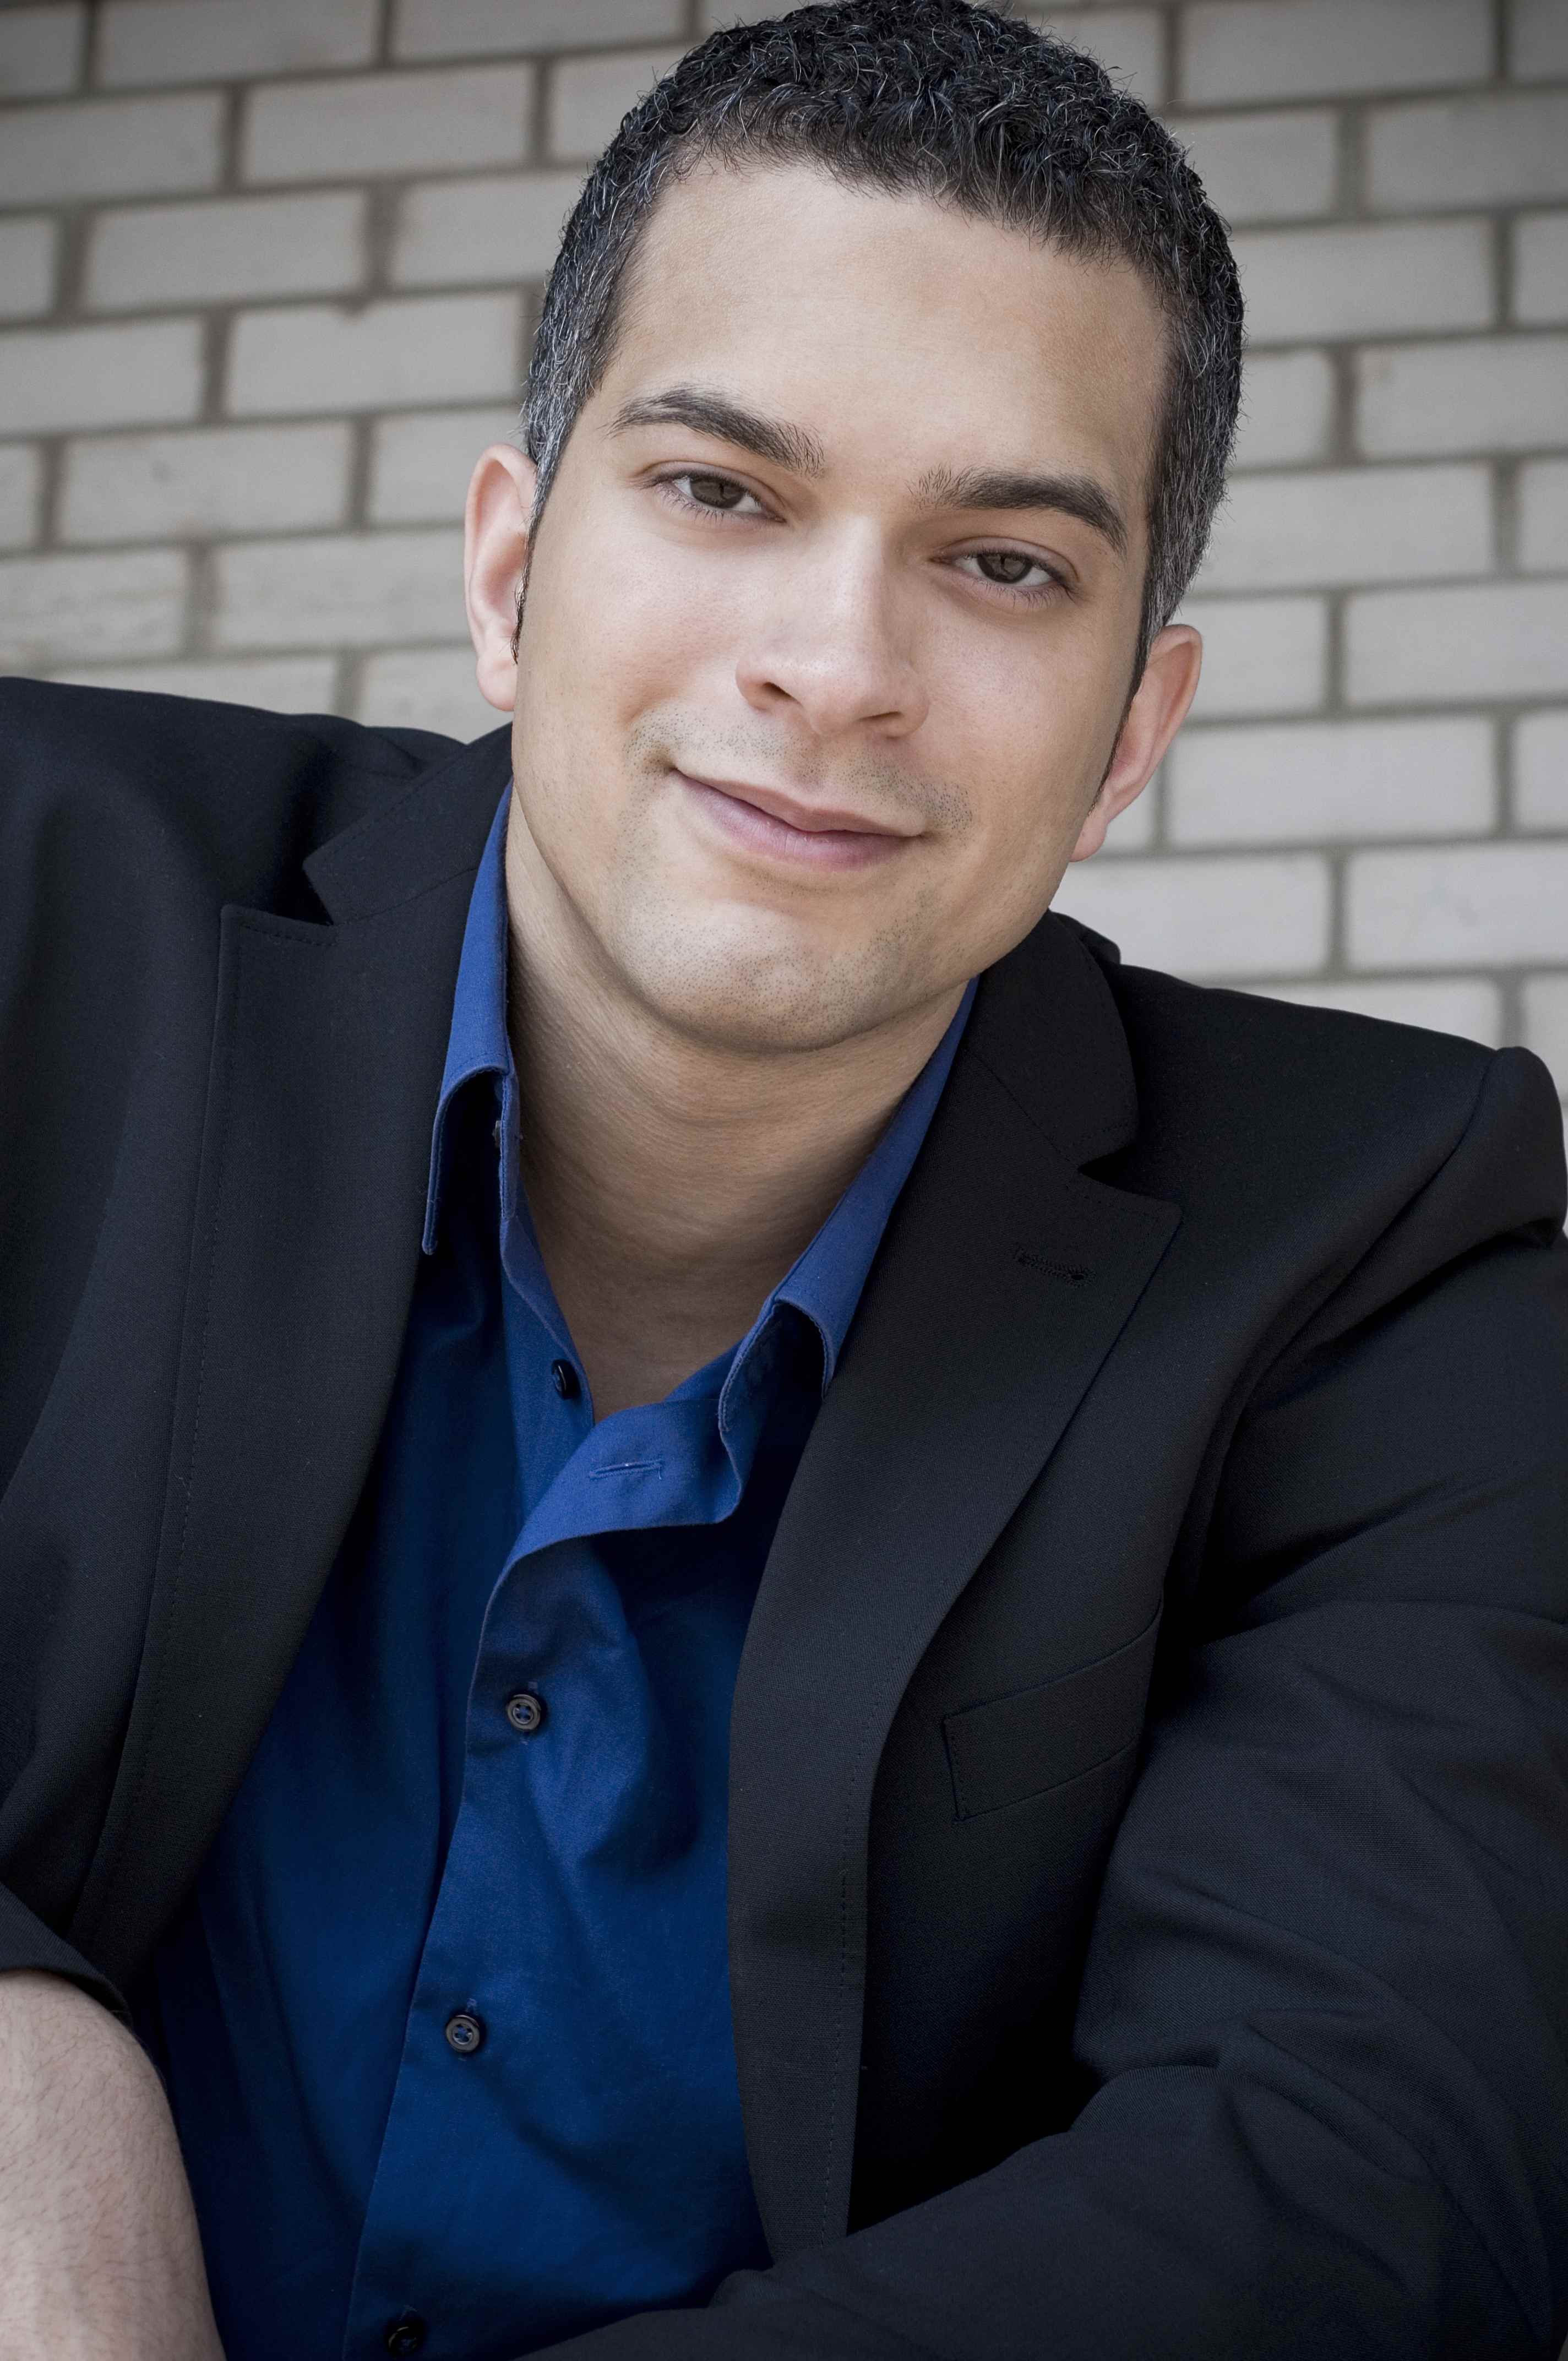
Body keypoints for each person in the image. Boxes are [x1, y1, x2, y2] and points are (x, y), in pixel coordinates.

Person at [2, 3, 1565, 2356]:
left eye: (1006, 562)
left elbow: (1360, 2176)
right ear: (509, 568)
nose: (837, 666)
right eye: (723, 491)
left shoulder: (1379, 1238)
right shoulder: (33, 908)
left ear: (1132, 730)